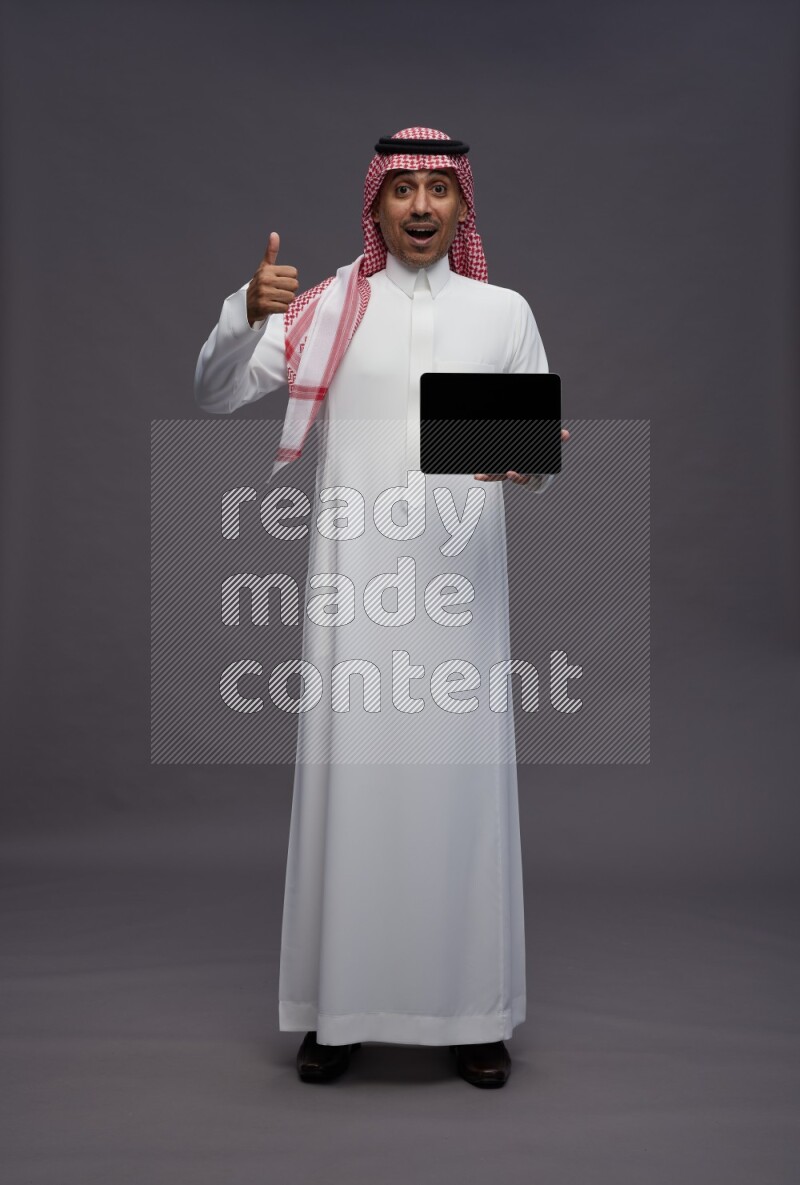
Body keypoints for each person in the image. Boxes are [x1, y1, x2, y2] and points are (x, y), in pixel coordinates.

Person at [194, 127, 569, 1088]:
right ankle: (337, 1011)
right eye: (401, 190)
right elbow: (214, 390)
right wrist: (244, 309)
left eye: (437, 190)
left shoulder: (502, 311)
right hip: (354, 597)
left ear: (462, 207)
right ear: (376, 205)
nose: (419, 208)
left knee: (462, 797)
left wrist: (528, 462)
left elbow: (534, 453)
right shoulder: (325, 307)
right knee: (350, 793)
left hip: (459, 599)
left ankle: (473, 1013)